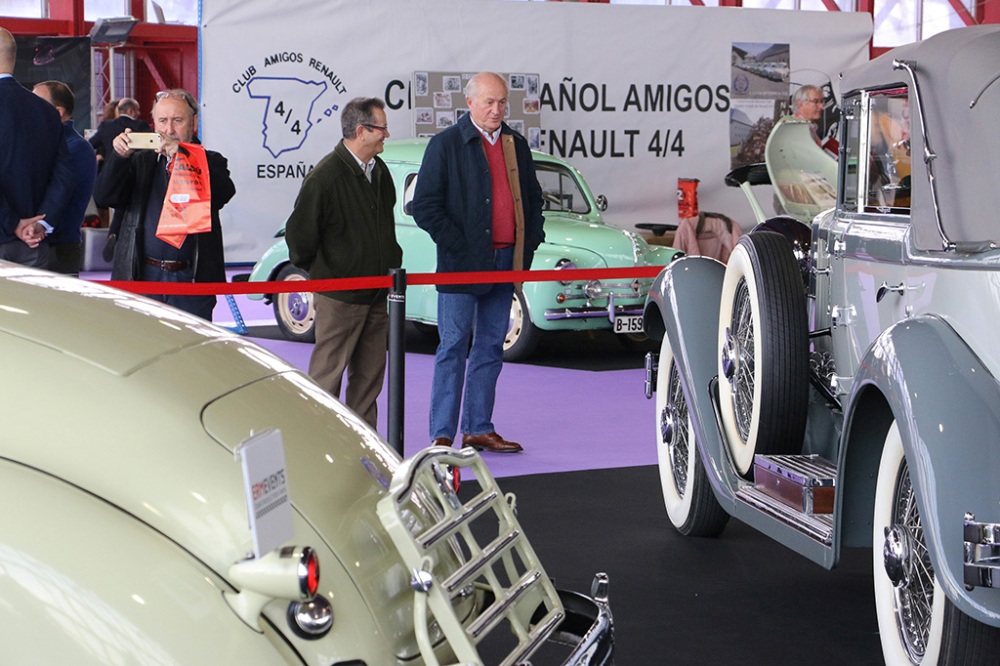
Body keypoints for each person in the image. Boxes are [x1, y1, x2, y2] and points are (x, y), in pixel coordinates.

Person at [412, 72, 545, 454]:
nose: (496, 109)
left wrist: (529, 243)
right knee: (452, 347)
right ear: (469, 102)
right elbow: (424, 206)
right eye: (489, 102)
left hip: (505, 262)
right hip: (460, 266)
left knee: (490, 347)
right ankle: (441, 434)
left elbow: (533, 200)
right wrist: (459, 246)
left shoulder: (516, 145)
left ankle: (478, 429)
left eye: (502, 102)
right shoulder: (445, 144)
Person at [284, 97, 402, 430]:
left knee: (369, 381)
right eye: (382, 128)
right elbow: (299, 239)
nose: (386, 135)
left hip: (377, 294)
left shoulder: (379, 171)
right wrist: (330, 274)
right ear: (362, 131)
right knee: (326, 378)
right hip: (339, 296)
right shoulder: (325, 178)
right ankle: (316, 442)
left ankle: (363, 444)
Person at [93, 89, 235, 320]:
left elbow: (223, 194)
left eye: (177, 121)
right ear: (154, 124)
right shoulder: (139, 161)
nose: (169, 130)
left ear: (194, 122)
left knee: (192, 343)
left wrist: (183, 157)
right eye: (162, 121)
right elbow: (104, 196)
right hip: (142, 275)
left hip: (192, 278)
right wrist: (118, 157)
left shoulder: (211, 160)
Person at [0, 27, 73, 268]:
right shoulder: (47, 111)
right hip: (34, 243)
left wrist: (12, 223)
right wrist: (40, 223)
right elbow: (63, 175)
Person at [32, 80, 97, 275]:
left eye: (36, 103)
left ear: (57, 111)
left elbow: (55, 194)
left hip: (57, 249)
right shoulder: (51, 144)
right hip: (40, 246)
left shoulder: (76, 148)